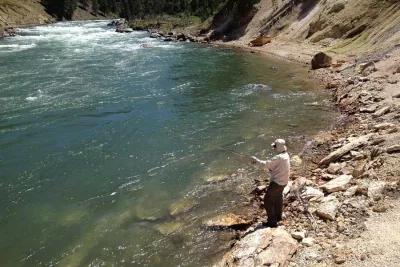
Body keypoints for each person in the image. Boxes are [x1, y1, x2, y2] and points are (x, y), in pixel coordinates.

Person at [251, 139, 290, 228]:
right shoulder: (286, 155)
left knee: (267, 201)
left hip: (277, 183)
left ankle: (272, 222)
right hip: (284, 182)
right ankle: (278, 217)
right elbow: (273, 166)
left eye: (275, 146)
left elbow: (267, 165)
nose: (273, 148)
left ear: (278, 147)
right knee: (278, 198)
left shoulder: (278, 157)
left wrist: (256, 160)